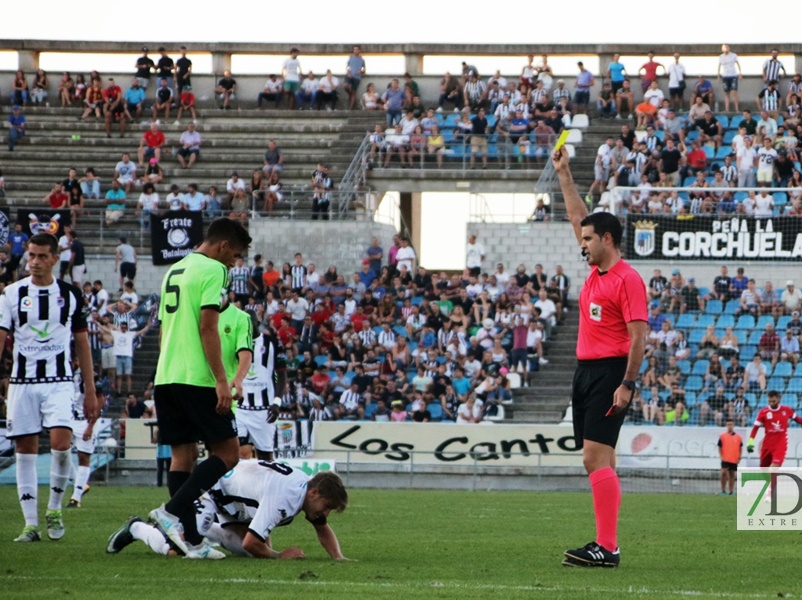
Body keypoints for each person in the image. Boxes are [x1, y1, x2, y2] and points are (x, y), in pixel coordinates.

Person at [130, 218, 253, 559]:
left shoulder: (176, 268)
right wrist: (219, 379)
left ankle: (189, 543)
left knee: (182, 457)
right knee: (228, 453)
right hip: (196, 377)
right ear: (223, 246)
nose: (234, 263)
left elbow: (164, 327)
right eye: (235, 255)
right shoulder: (214, 270)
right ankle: (171, 512)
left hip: (167, 375)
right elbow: (208, 327)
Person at [553, 146, 648, 568]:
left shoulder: (628, 280)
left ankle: (606, 547)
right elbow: (577, 215)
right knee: (603, 458)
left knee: (593, 457)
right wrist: (564, 175)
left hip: (610, 372)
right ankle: (608, 544)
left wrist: (627, 383)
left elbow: (638, 336)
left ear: (607, 239)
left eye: (589, 238)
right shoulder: (597, 271)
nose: (582, 242)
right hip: (586, 371)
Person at [3, 233, 98, 542]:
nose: (35, 262)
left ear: (56, 259)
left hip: (59, 381)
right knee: (25, 451)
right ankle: (30, 524)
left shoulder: (70, 295)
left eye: (43, 256)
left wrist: (91, 391)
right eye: (31, 255)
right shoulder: (11, 294)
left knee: (61, 445)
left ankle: (54, 508)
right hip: (22, 382)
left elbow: (82, 344)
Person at [107, 462, 348, 561]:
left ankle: (199, 530)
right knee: (177, 551)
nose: (324, 513)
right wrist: (279, 555)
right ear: (315, 493)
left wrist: (339, 557)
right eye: (327, 506)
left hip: (236, 506)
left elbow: (322, 526)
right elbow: (253, 541)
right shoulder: (288, 495)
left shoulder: (305, 488)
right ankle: (138, 528)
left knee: (251, 553)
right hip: (213, 492)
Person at [238, 322, 285, 460]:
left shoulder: (272, 343)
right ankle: (241, 482)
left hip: (264, 409)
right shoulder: (237, 340)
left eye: (250, 323)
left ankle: (266, 481)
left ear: (257, 324)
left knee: (265, 457)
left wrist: (277, 402)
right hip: (240, 408)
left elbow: (282, 375)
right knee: (238, 453)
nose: (247, 327)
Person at [747, 390, 802, 469]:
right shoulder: (763, 412)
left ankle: (773, 481)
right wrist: (751, 441)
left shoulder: (786, 410)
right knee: (764, 470)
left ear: (779, 399)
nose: (771, 403)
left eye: (773, 401)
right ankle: (772, 481)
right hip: (767, 445)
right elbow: (755, 428)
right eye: (769, 401)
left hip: (780, 445)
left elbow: (798, 419)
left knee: (773, 469)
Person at [66, 365, 97, 508]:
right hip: (67, 420)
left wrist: (91, 425)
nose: (74, 361)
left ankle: (76, 498)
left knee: (83, 458)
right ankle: (80, 484)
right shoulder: (62, 371)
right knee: (60, 453)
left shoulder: (89, 374)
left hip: (84, 421)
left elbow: (100, 399)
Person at [718, 44, 742, 112]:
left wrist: (740, 73)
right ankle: (727, 109)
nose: (726, 49)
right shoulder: (721, 57)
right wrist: (718, 75)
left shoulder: (733, 55)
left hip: (733, 75)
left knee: (734, 92)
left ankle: (737, 109)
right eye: (724, 48)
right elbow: (719, 66)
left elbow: (738, 63)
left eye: (727, 47)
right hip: (725, 76)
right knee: (726, 92)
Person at [344, 45, 366, 110]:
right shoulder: (350, 57)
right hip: (350, 75)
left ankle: (351, 107)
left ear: (359, 50)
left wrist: (360, 71)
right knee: (345, 86)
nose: (355, 51)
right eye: (354, 49)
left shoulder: (362, 59)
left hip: (357, 77)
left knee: (354, 91)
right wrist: (347, 72)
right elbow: (347, 66)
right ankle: (350, 94)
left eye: (357, 49)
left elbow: (364, 69)